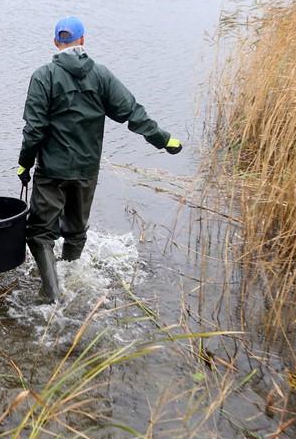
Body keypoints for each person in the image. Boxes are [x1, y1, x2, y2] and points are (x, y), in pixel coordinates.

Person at [17, 16, 182, 302]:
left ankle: (51, 293)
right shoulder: (101, 75)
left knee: (40, 233)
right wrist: (162, 138)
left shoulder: (44, 76)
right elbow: (131, 111)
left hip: (52, 170)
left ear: (56, 42)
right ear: (82, 40)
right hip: (86, 169)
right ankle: (71, 280)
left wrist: (25, 163)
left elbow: (34, 129)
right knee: (76, 230)